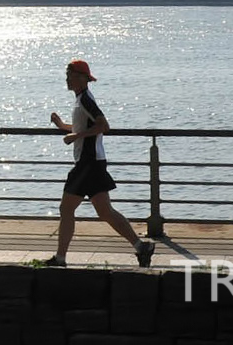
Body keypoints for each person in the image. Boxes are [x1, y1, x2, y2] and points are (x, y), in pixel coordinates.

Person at [46, 59, 154, 267]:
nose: (66, 78)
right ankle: (142, 247)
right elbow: (81, 127)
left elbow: (103, 125)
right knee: (105, 211)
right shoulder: (81, 99)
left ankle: (60, 258)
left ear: (81, 78)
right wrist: (62, 126)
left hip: (88, 163)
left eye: (69, 74)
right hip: (94, 163)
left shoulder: (86, 99)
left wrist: (75, 136)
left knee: (66, 209)